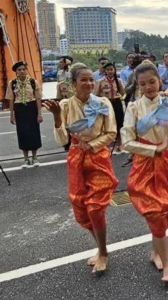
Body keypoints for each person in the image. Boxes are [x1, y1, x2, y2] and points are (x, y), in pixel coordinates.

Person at [45, 64, 118, 274]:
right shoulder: (65, 105)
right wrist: (57, 117)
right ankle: (101, 247)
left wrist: (92, 145)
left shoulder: (102, 103)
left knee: (95, 207)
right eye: (83, 80)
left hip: (98, 157)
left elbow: (111, 133)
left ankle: (103, 253)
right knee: (81, 207)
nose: (88, 83)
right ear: (73, 83)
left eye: (91, 79)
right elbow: (62, 140)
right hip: (76, 158)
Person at [122, 61, 168, 285]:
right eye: (143, 84)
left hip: (165, 162)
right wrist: (152, 150)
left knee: (162, 211)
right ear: (137, 85)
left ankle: (155, 252)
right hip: (144, 164)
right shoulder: (133, 108)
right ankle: (167, 263)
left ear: (159, 80)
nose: (148, 87)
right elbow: (126, 141)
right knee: (155, 212)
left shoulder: (167, 104)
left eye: (152, 81)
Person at [5, 61, 43, 167]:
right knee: (22, 133)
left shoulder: (33, 82)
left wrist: (39, 114)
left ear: (27, 70)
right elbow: (11, 100)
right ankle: (26, 159)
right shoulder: (12, 83)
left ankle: (35, 157)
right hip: (19, 109)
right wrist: (12, 114)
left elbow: (38, 99)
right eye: (19, 70)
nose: (22, 71)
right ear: (16, 72)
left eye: (24, 69)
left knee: (34, 132)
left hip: (31, 108)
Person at [94, 62, 126, 147]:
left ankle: (119, 142)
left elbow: (123, 93)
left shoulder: (118, 81)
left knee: (119, 122)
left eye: (111, 69)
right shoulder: (100, 81)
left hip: (117, 102)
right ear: (105, 71)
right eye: (108, 70)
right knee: (107, 122)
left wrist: (122, 98)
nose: (110, 71)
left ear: (114, 70)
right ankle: (109, 141)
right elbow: (96, 95)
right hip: (106, 103)